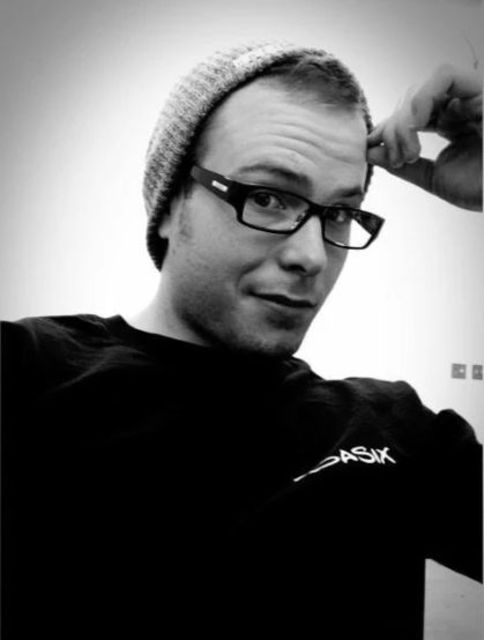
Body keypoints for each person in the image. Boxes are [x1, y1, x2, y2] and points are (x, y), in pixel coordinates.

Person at [1, 42, 482, 639]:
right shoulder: (25, 373)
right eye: (267, 197)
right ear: (170, 205)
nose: (312, 256)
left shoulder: (395, 432)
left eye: (339, 213)